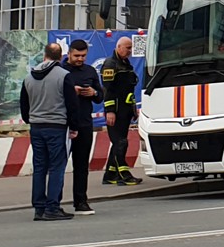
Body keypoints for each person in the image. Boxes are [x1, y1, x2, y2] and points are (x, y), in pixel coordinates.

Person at [20, 42, 72, 221]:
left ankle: (39, 208)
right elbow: (71, 105)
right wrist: (73, 127)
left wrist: (32, 119)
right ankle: (53, 207)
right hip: (57, 127)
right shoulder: (64, 76)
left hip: (36, 127)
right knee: (57, 167)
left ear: (44, 56)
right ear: (61, 57)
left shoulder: (28, 78)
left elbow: (24, 107)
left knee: (40, 167)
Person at [62, 39, 102, 215]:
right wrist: (73, 91)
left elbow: (100, 95)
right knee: (58, 165)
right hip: (63, 124)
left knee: (81, 165)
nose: (80, 59)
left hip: (84, 123)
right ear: (69, 53)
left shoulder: (90, 71)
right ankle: (54, 201)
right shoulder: (60, 71)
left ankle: (81, 201)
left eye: (83, 56)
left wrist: (93, 93)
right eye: (77, 55)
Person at [101, 36, 140, 185]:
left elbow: (128, 90)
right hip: (115, 111)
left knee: (120, 141)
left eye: (131, 48)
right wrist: (110, 110)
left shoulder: (125, 64)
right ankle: (124, 174)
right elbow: (108, 90)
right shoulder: (110, 64)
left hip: (125, 110)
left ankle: (110, 174)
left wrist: (133, 108)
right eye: (127, 48)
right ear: (119, 47)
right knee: (120, 142)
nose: (130, 51)